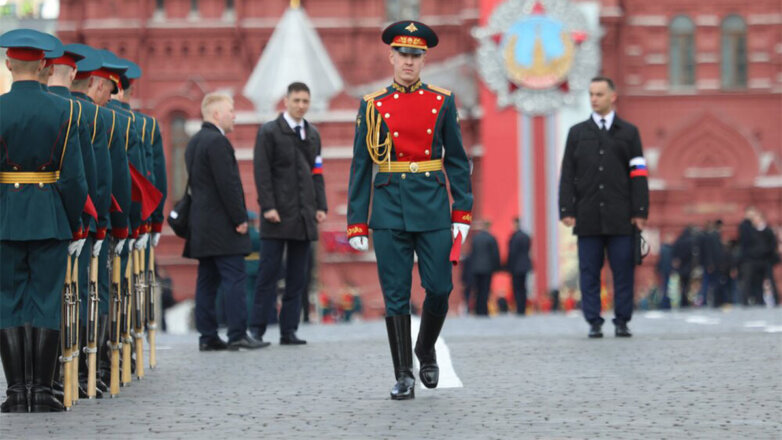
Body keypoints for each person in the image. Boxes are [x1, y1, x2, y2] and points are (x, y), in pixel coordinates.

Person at [346, 20, 473, 400]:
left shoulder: (442, 101)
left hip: (433, 207)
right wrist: (356, 222)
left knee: (440, 288)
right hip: (387, 210)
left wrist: (462, 212)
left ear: (424, 60)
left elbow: (457, 162)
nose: (409, 61)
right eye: (403, 54)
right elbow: (359, 167)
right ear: (391, 56)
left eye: (416, 55)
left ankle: (425, 348)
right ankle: (403, 374)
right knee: (396, 296)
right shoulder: (372, 106)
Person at [0, 29, 88, 412]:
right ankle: (43, 391)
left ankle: (16, 392)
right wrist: (71, 221)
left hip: (5, 216)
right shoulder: (64, 110)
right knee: (47, 301)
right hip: (51, 215)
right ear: (42, 65)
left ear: (7, 64)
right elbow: (74, 179)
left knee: (9, 301)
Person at [558, 76, 649, 338]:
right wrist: (566, 209)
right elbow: (567, 173)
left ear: (613, 97)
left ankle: (622, 320)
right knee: (589, 271)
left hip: (622, 217)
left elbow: (639, 173)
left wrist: (640, 211)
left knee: (623, 270)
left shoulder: (629, 133)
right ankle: (594, 321)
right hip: (587, 215)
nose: (594, 99)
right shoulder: (577, 133)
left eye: (599, 94)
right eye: (591, 94)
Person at [184, 92, 266, 351]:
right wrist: (239, 218)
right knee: (235, 278)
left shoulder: (194, 141)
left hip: (201, 227)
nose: (234, 115)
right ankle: (237, 334)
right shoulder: (218, 142)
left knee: (206, 281)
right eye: (231, 111)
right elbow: (228, 184)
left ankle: (207, 336)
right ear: (217, 114)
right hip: (223, 227)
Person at [249, 82, 327, 346]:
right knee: (267, 274)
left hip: (304, 216)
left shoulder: (313, 134)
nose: (301, 105)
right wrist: (268, 206)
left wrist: (321, 206)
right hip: (277, 216)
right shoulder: (269, 132)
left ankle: (289, 331)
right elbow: (262, 172)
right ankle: (257, 330)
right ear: (286, 101)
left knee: (298, 277)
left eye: (306, 101)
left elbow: (317, 172)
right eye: (297, 100)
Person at [469, 220, 501, 316]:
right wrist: (496, 267)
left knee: (477, 289)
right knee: (485, 289)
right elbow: (495, 255)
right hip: (487, 268)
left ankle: (478, 309)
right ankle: (484, 310)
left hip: (476, 268)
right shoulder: (491, 238)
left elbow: (472, 254)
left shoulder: (475, 239)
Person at [506, 217, 532, 316]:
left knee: (517, 288)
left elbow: (512, 253)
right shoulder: (526, 236)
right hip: (525, 266)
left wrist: (508, 266)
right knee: (523, 287)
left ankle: (519, 309)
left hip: (516, 266)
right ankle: (523, 308)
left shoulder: (514, 237)